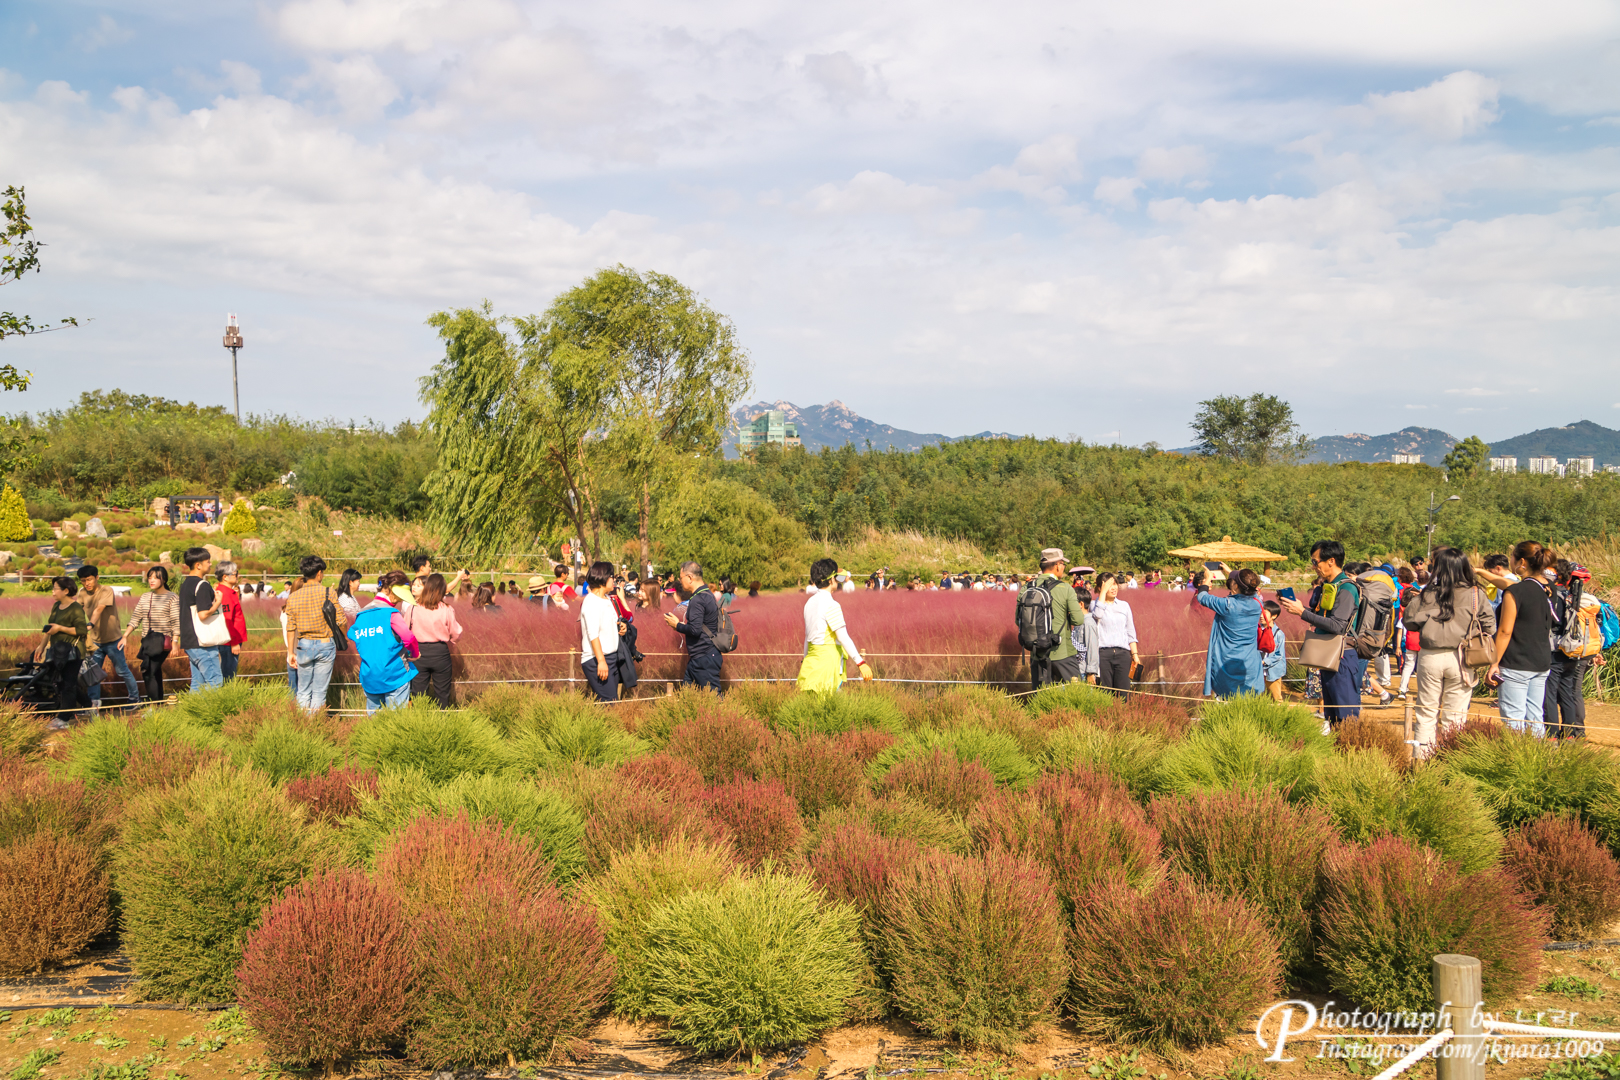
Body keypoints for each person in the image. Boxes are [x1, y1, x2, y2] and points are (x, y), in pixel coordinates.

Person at [1403, 547, 1496, 755]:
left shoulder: (1427, 593)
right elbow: (1490, 627)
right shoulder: (1475, 593)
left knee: (1426, 713)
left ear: (1438, 568)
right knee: (1455, 716)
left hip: (1429, 656)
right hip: (1462, 658)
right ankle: (1450, 764)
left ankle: (1422, 762)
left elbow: (1409, 621)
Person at [1278, 540, 1363, 728]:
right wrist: (1299, 609)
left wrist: (1303, 613)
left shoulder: (1346, 588)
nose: (1314, 566)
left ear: (1331, 561)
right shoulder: (1329, 585)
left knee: (1345, 715)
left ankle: (1350, 752)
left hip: (1341, 656)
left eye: (1316, 562)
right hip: (1329, 655)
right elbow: (1324, 618)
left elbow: (1338, 626)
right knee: (1332, 715)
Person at [1487, 541, 1559, 737]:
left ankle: (1515, 761)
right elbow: (1511, 584)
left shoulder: (1515, 592)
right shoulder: (1549, 588)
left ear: (1521, 562)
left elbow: (1504, 632)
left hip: (1516, 662)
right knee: (1535, 716)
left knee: (1513, 719)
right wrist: (1481, 572)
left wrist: (1494, 663)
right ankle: (1537, 760)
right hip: (1541, 661)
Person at [797, 558, 874, 692]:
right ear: (831, 579)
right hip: (828, 663)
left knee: (810, 705)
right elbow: (843, 637)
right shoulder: (831, 605)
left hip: (810, 663)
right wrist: (860, 662)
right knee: (831, 706)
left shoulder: (809, 603)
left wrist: (805, 660)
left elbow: (807, 637)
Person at [348, 570, 420, 714]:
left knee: (374, 720)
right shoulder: (391, 614)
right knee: (397, 719)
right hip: (395, 675)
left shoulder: (361, 615)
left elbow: (352, 634)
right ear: (392, 591)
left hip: (370, 676)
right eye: (399, 597)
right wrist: (415, 653)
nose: (399, 601)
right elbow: (408, 637)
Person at [1545, 560, 1602, 739]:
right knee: (1567, 693)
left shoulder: (1555, 595)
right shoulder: (1578, 598)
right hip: (1574, 651)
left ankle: (1552, 735)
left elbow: (1554, 623)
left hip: (1555, 651)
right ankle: (1570, 735)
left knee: (1550, 695)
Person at [1018, 549, 1088, 690]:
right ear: (1057, 565)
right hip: (1063, 653)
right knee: (1076, 696)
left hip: (1037, 654)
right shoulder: (1065, 588)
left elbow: (1018, 621)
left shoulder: (1025, 588)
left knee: (1041, 698)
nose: (1063, 568)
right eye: (1063, 564)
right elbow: (1079, 619)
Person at [284, 555, 346, 712]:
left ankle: (302, 726)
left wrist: (290, 652)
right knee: (319, 692)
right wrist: (342, 635)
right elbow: (341, 621)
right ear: (319, 573)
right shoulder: (328, 592)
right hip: (325, 644)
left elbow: (290, 627)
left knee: (303, 691)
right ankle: (315, 726)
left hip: (303, 644)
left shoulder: (293, 597)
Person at [1196, 567, 1265, 698]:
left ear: (1236, 586)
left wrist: (1208, 578)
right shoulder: (1258, 603)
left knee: (1227, 699)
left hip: (1227, 663)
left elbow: (1202, 596)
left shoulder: (1227, 605)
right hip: (1250, 663)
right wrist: (1230, 572)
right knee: (1249, 699)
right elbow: (1251, 589)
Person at [76, 565, 138, 710]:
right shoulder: (82, 593)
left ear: (97, 578)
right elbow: (77, 610)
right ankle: (94, 704)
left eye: (89, 579)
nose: (87, 583)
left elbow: (99, 608)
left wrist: (90, 623)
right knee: (93, 673)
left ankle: (134, 699)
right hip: (94, 642)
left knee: (122, 671)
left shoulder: (106, 590)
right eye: (83, 581)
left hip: (113, 641)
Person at [124, 566, 179, 703]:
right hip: (147, 641)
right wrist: (125, 636)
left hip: (162, 641)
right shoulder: (145, 597)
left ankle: (152, 704)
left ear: (164, 579)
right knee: (154, 671)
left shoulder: (172, 597)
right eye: (150, 577)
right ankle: (158, 703)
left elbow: (176, 621)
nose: (152, 580)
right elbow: (136, 617)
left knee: (148, 671)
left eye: (156, 577)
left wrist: (175, 642)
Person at [664, 561, 722, 691]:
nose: (679, 581)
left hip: (704, 658)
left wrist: (677, 625)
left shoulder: (698, 599)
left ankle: (727, 712)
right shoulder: (707, 594)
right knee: (687, 697)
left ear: (689, 578)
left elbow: (695, 630)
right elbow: (699, 626)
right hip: (701, 657)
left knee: (714, 700)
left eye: (681, 578)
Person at [405, 572, 461, 707]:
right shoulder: (446, 608)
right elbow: (456, 632)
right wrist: (452, 640)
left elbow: (405, 631)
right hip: (440, 652)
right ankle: (443, 722)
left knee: (418, 693)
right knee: (443, 693)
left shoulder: (413, 608)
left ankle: (418, 722)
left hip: (418, 653)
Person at [178, 547, 225, 691]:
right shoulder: (202, 585)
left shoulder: (185, 584)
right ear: (198, 565)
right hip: (202, 642)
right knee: (215, 681)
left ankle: (191, 713)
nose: (210, 564)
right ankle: (213, 713)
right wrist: (217, 602)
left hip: (189, 640)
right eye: (208, 561)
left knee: (198, 684)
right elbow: (203, 614)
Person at [43, 575, 88, 725]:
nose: (53, 592)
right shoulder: (56, 606)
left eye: (55, 589)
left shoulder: (76, 608)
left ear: (66, 590)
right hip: (58, 652)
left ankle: (63, 718)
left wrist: (61, 628)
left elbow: (82, 630)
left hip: (73, 652)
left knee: (68, 684)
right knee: (63, 683)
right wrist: (41, 646)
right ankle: (89, 705)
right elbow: (50, 627)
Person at [579, 560, 623, 701]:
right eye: (612, 576)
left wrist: (622, 627)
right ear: (603, 577)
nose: (614, 580)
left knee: (608, 701)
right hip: (596, 659)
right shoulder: (591, 601)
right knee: (609, 702)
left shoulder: (608, 599)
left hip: (611, 656)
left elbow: (610, 623)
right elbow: (593, 634)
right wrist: (601, 661)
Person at [1091, 571, 1140, 693]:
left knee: (1123, 693)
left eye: (1115, 584)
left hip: (1122, 654)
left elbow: (1130, 632)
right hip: (1103, 655)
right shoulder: (1094, 605)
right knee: (1105, 693)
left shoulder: (1124, 606)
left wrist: (1135, 655)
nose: (1114, 588)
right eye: (1109, 585)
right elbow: (1098, 615)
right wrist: (1102, 592)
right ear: (1100, 587)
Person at [215, 561, 246, 680]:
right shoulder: (225, 593)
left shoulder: (228, 592)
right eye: (235, 573)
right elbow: (227, 619)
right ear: (225, 577)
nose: (237, 576)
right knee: (228, 674)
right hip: (229, 642)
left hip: (230, 640)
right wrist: (233, 642)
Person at [1261, 600, 1287, 701]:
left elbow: (1279, 655)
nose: (1261, 616)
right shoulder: (1257, 631)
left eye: (1265, 613)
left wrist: (1264, 662)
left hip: (1273, 672)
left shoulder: (1279, 634)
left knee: (1276, 699)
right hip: (1258, 671)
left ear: (1274, 616)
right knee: (1259, 698)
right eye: (1260, 613)